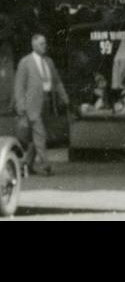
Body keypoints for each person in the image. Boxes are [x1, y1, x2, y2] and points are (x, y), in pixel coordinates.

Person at [12, 33, 70, 176]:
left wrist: (65, 98)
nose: (44, 46)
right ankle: (46, 165)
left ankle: (26, 164)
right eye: (41, 44)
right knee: (40, 134)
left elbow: (56, 81)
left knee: (34, 137)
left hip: (46, 102)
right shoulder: (25, 62)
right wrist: (21, 106)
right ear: (33, 45)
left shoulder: (49, 62)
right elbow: (19, 86)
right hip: (31, 104)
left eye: (45, 43)